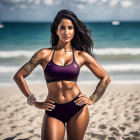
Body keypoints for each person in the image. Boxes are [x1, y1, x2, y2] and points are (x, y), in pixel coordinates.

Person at [13, 9, 111, 140]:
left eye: (70, 28)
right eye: (62, 28)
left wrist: (92, 99)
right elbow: (18, 76)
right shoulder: (44, 54)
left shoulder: (81, 56)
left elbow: (105, 78)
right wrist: (35, 102)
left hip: (77, 108)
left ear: (74, 31)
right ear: (56, 30)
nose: (66, 32)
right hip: (53, 109)